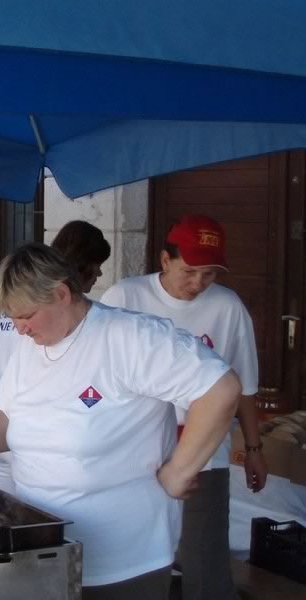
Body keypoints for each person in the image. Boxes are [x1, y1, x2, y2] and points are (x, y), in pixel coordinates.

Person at [0, 243, 240, 598]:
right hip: (44, 549)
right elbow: (9, 420)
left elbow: (221, 389)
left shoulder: (128, 337)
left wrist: (179, 471)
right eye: (13, 318)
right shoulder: (28, 349)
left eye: (26, 316)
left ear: (61, 294)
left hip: (122, 561)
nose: (19, 329)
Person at [100, 214, 267, 600]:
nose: (198, 284)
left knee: (204, 555)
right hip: (134, 448)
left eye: (209, 275)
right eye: (189, 271)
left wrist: (254, 448)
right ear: (165, 260)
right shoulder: (125, 299)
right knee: (133, 553)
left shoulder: (228, 307)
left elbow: (243, 387)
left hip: (203, 448)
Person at [0, 222, 111, 493]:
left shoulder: (33, 309)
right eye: (96, 267)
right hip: (7, 432)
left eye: (25, 318)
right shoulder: (37, 323)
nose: (22, 329)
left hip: (3, 427)